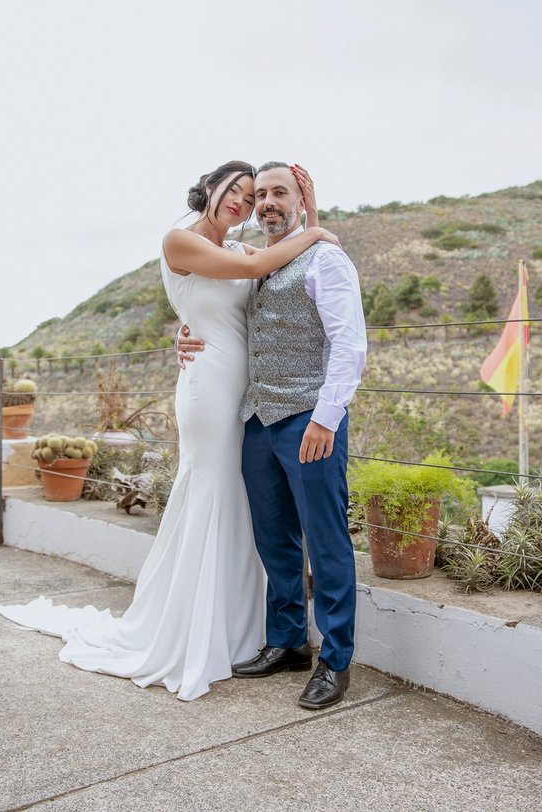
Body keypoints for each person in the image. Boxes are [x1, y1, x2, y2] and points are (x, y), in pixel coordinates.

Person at [0, 160, 340, 702]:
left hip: (251, 394)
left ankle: (247, 630)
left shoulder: (244, 251)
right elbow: (249, 276)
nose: (245, 204)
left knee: (244, 502)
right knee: (209, 488)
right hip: (208, 388)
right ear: (210, 187)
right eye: (238, 191)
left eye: (253, 199)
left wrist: (308, 222)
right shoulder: (180, 240)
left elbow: (270, 275)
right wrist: (318, 228)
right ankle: (192, 626)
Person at [177, 161, 367, 709]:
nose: (266, 203)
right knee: (274, 539)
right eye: (259, 195)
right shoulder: (249, 262)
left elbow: (348, 345)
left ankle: (335, 660)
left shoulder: (326, 258)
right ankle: (285, 641)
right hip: (256, 420)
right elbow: (212, 313)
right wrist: (183, 334)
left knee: (326, 540)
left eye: (278, 192)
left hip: (310, 419)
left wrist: (326, 419)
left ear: (299, 199)